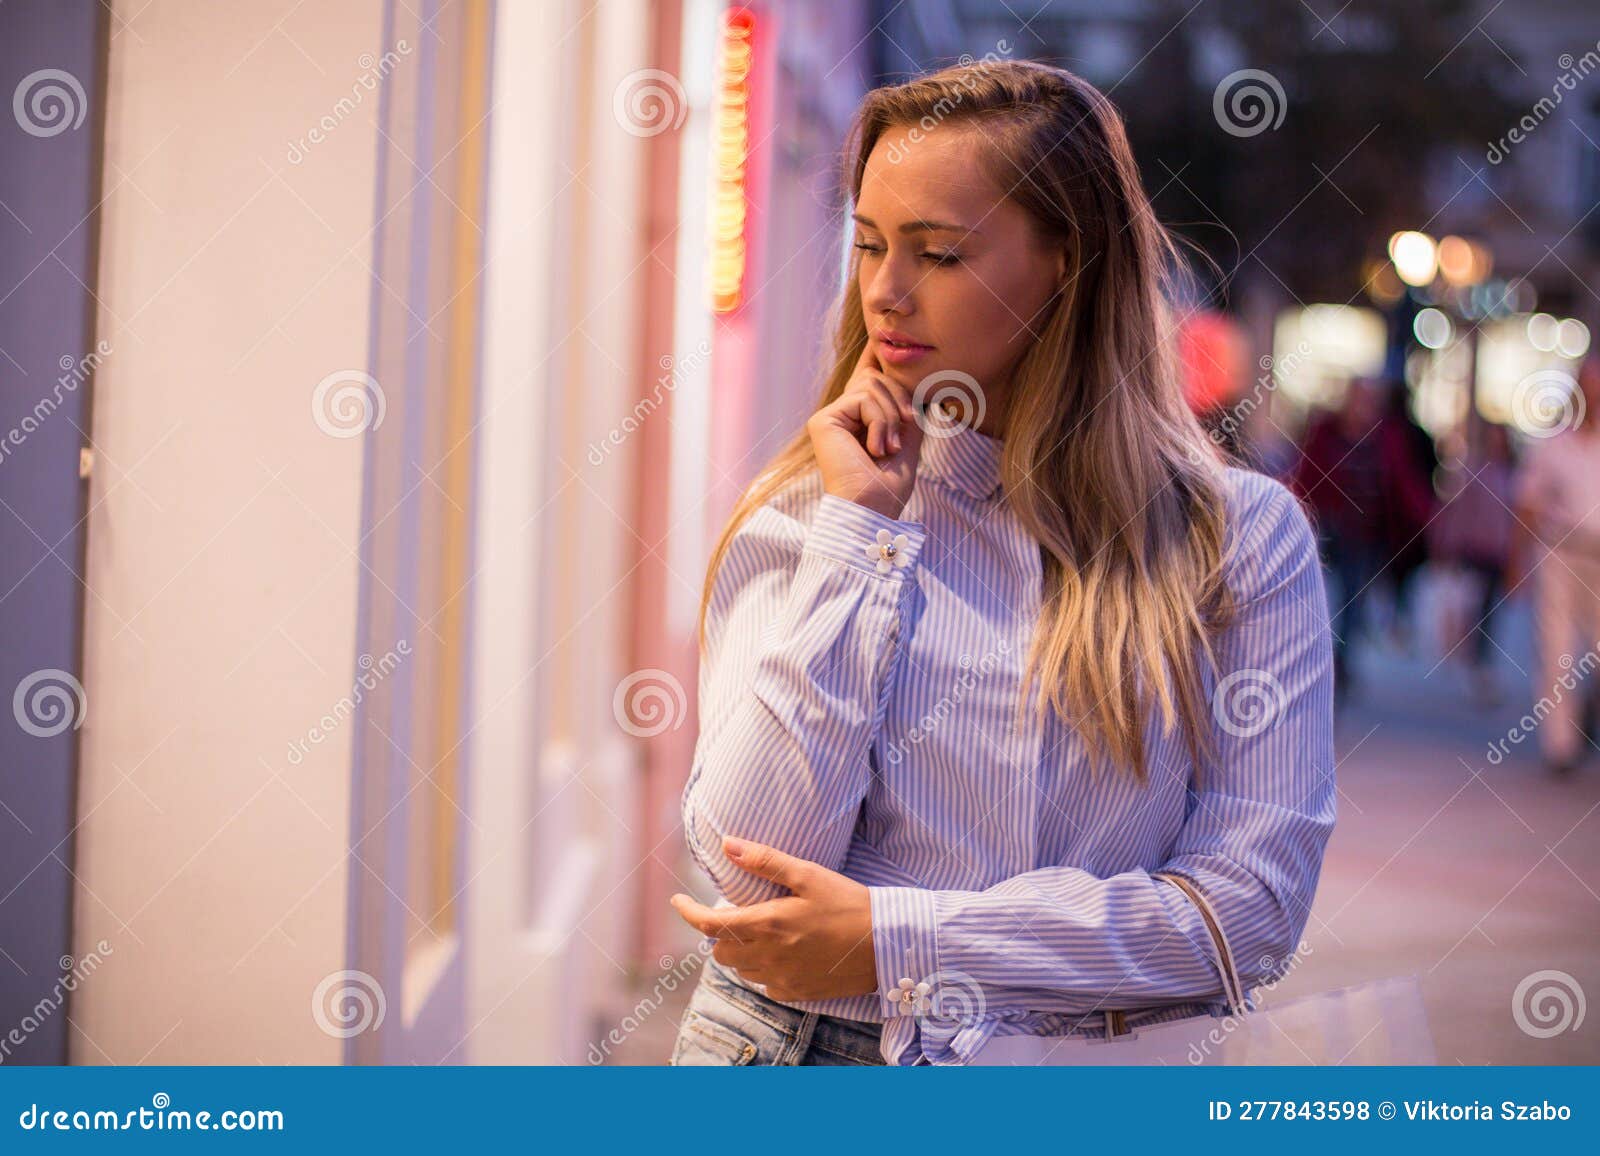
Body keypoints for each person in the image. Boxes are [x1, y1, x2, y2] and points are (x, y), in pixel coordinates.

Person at [665, 60, 1336, 1067]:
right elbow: (755, 879)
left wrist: (900, 937)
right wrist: (863, 537)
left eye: (938, 253)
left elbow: (1247, 913)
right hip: (799, 1055)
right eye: (869, 244)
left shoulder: (1238, 537)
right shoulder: (814, 513)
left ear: (1066, 259)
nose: (886, 291)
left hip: (1089, 1072)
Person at [1507, 355, 1600, 778]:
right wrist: (1516, 562)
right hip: (1561, 552)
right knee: (1558, 650)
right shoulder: (1554, 444)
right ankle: (1559, 744)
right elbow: (1527, 503)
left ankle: (1586, 722)